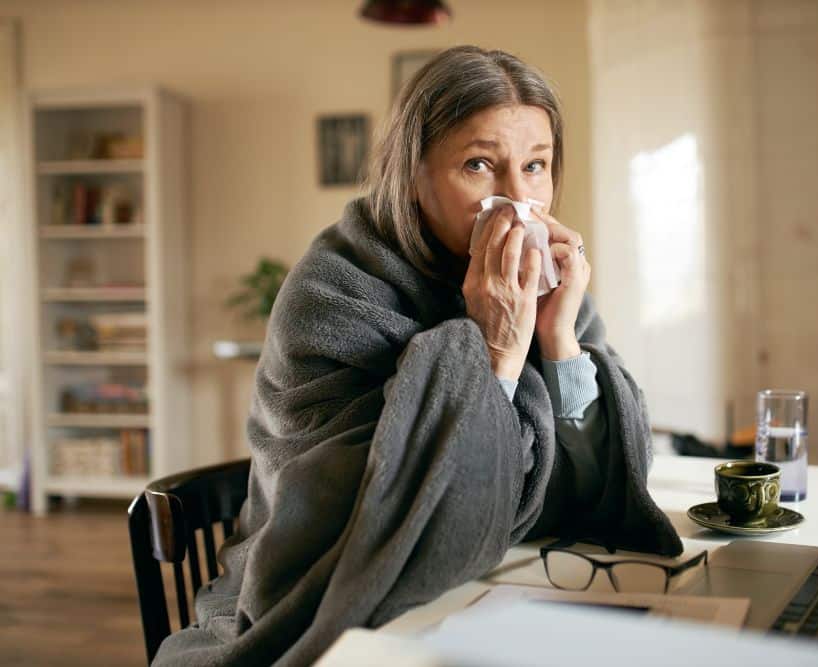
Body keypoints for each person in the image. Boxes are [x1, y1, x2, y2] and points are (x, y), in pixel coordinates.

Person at [153, 46, 679, 667]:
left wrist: (561, 343)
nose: (517, 200)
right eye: (479, 165)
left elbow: (597, 486)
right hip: (335, 594)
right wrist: (495, 348)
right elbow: (382, 523)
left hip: (501, 584)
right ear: (411, 173)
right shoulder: (331, 292)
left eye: (536, 166)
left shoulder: (545, 283)